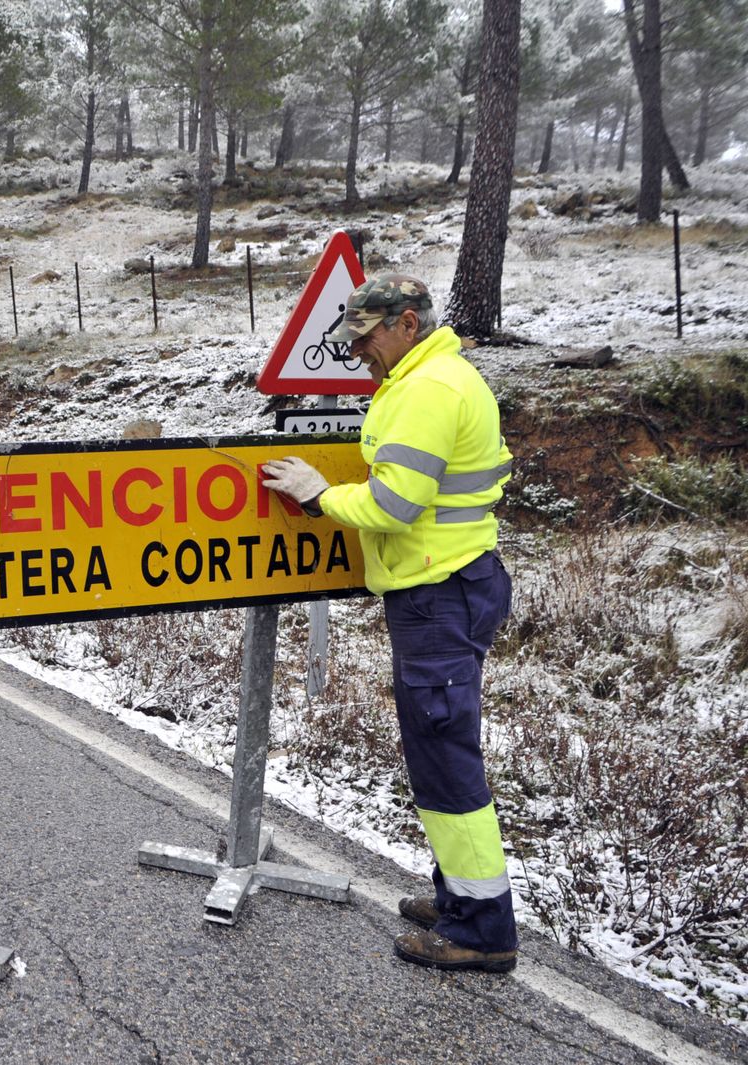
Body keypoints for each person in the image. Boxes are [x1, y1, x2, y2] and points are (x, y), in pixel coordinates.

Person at [260, 274, 518, 974]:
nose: (359, 352)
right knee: (438, 754)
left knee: (447, 759)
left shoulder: (432, 388)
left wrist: (319, 497)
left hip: (440, 590)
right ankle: (459, 896)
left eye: (368, 337)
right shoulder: (430, 376)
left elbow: (396, 503)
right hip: (447, 583)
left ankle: (483, 927)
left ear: (407, 323)